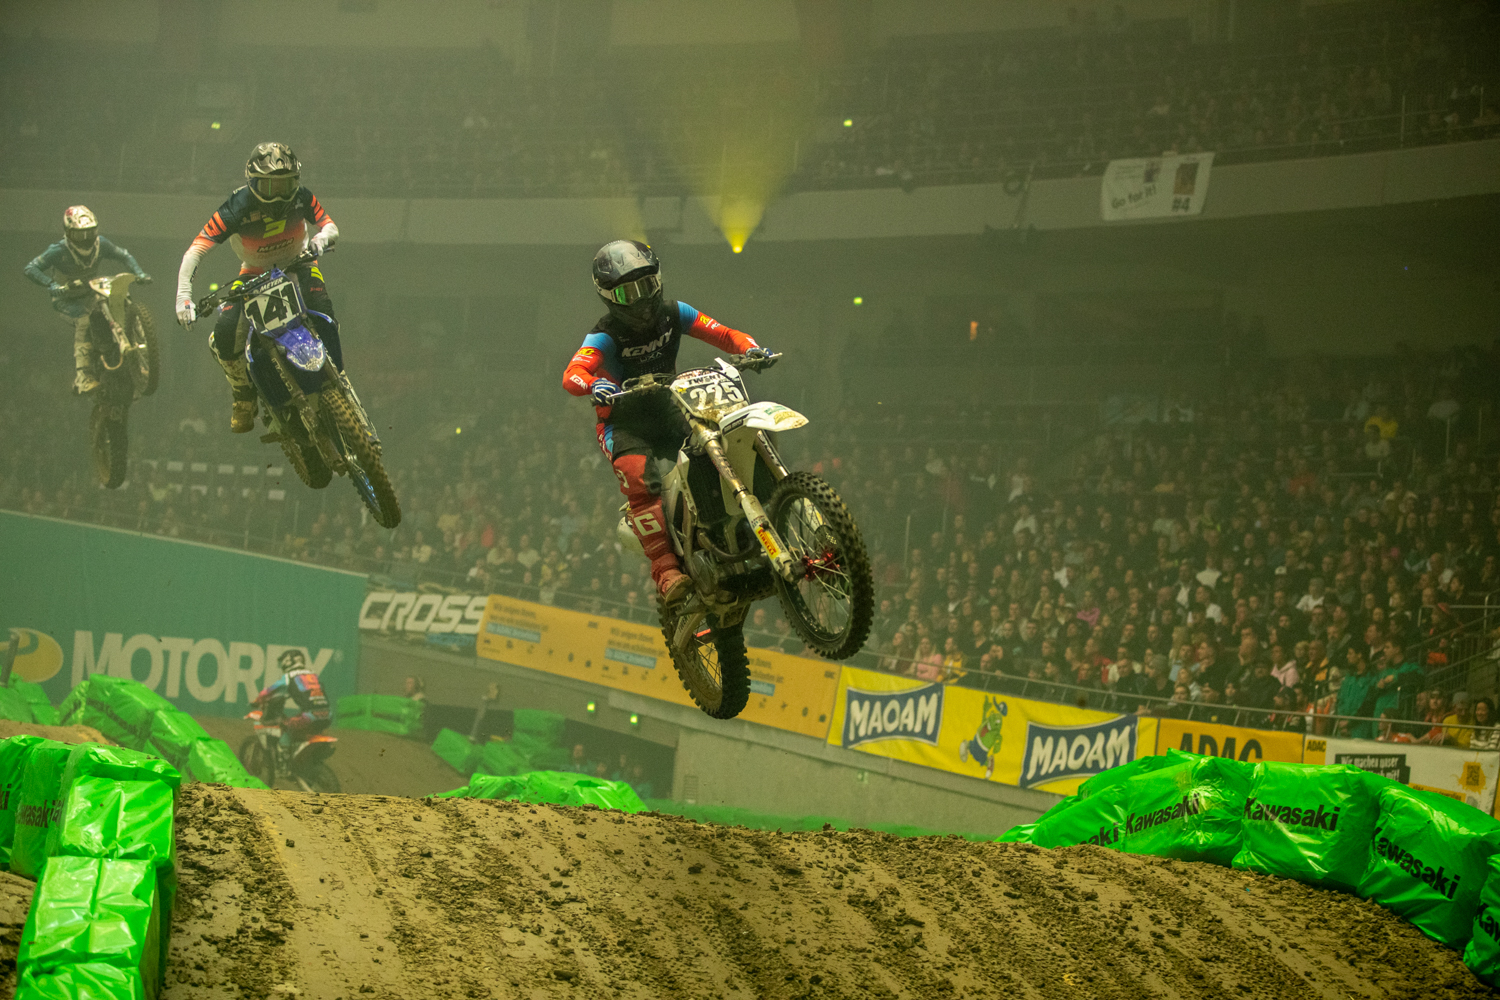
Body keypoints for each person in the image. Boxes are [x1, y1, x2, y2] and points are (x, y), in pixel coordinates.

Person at [561, 240, 767, 604]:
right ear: (608, 297)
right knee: (639, 479)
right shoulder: (605, 334)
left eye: (646, 286)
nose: (640, 300)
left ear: (658, 280)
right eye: (627, 293)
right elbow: (572, 373)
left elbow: (723, 333)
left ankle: (736, 529)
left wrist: (748, 347)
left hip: (670, 406)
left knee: (717, 444)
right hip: (623, 421)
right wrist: (595, 384)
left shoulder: (675, 313)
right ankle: (665, 571)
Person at [174, 142, 341, 433]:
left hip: (299, 263)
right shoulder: (236, 206)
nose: (279, 195)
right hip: (253, 273)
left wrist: (321, 240)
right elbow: (196, 250)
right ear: (252, 182)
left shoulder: (302, 196)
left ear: (297, 180)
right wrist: (183, 297)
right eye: (270, 186)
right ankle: (243, 394)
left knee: (323, 311)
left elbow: (330, 226)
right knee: (225, 333)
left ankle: (337, 374)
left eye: (286, 184)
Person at [24, 205, 152, 394]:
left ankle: (137, 351)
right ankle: (83, 376)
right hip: (66, 300)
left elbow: (123, 255)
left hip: (91, 294)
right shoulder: (58, 250)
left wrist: (139, 273)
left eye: (89, 233)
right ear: (68, 233)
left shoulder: (101, 244)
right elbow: (31, 268)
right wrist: (53, 285)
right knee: (83, 321)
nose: (85, 239)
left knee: (115, 305)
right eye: (79, 235)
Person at [254, 648, 331, 753]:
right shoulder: (313, 674)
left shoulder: (289, 676)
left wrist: (258, 699)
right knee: (301, 728)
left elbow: (269, 691)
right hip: (328, 716)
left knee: (285, 725)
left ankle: (284, 756)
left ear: (287, 661)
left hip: (309, 717)